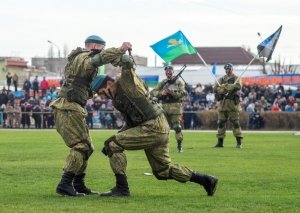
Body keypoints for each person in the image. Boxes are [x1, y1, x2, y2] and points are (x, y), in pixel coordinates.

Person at [92, 54, 218, 197]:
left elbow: (127, 62)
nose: (103, 97)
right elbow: (131, 122)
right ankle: (206, 180)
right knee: (162, 172)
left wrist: (118, 52)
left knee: (113, 145)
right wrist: (119, 135)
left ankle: (122, 188)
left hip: (152, 126)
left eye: (102, 93)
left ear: (108, 84)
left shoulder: (125, 81)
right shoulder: (117, 101)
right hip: (156, 126)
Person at [50, 35, 132, 196]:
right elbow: (99, 59)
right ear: (93, 46)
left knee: (87, 148)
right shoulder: (83, 57)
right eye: (102, 47)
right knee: (82, 147)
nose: (102, 51)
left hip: (73, 107)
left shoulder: (80, 60)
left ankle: (78, 184)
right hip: (68, 107)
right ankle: (65, 184)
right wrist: (120, 49)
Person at [150, 65, 186, 152]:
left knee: (177, 127)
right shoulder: (163, 82)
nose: (168, 73)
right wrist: (161, 93)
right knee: (163, 127)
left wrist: (172, 93)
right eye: (167, 72)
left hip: (175, 106)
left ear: (173, 72)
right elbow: (153, 92)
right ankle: (162, 145)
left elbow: (182, 93)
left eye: (170, 71)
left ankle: (179, 145)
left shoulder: (179, 82)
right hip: (164, 106)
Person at [213, 63, 243, 148]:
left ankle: (239, 142)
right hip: (223, 104)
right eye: (226, 69)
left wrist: (224, 86)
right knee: (220, 123)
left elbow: (238, 86)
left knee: (235, 123)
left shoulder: (236, 78)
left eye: (229, 69)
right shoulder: (222, 78)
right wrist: (224, 89)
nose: (227, 70)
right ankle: (220, 142)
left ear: (232, 69)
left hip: (232, 104)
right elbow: (215, 88)